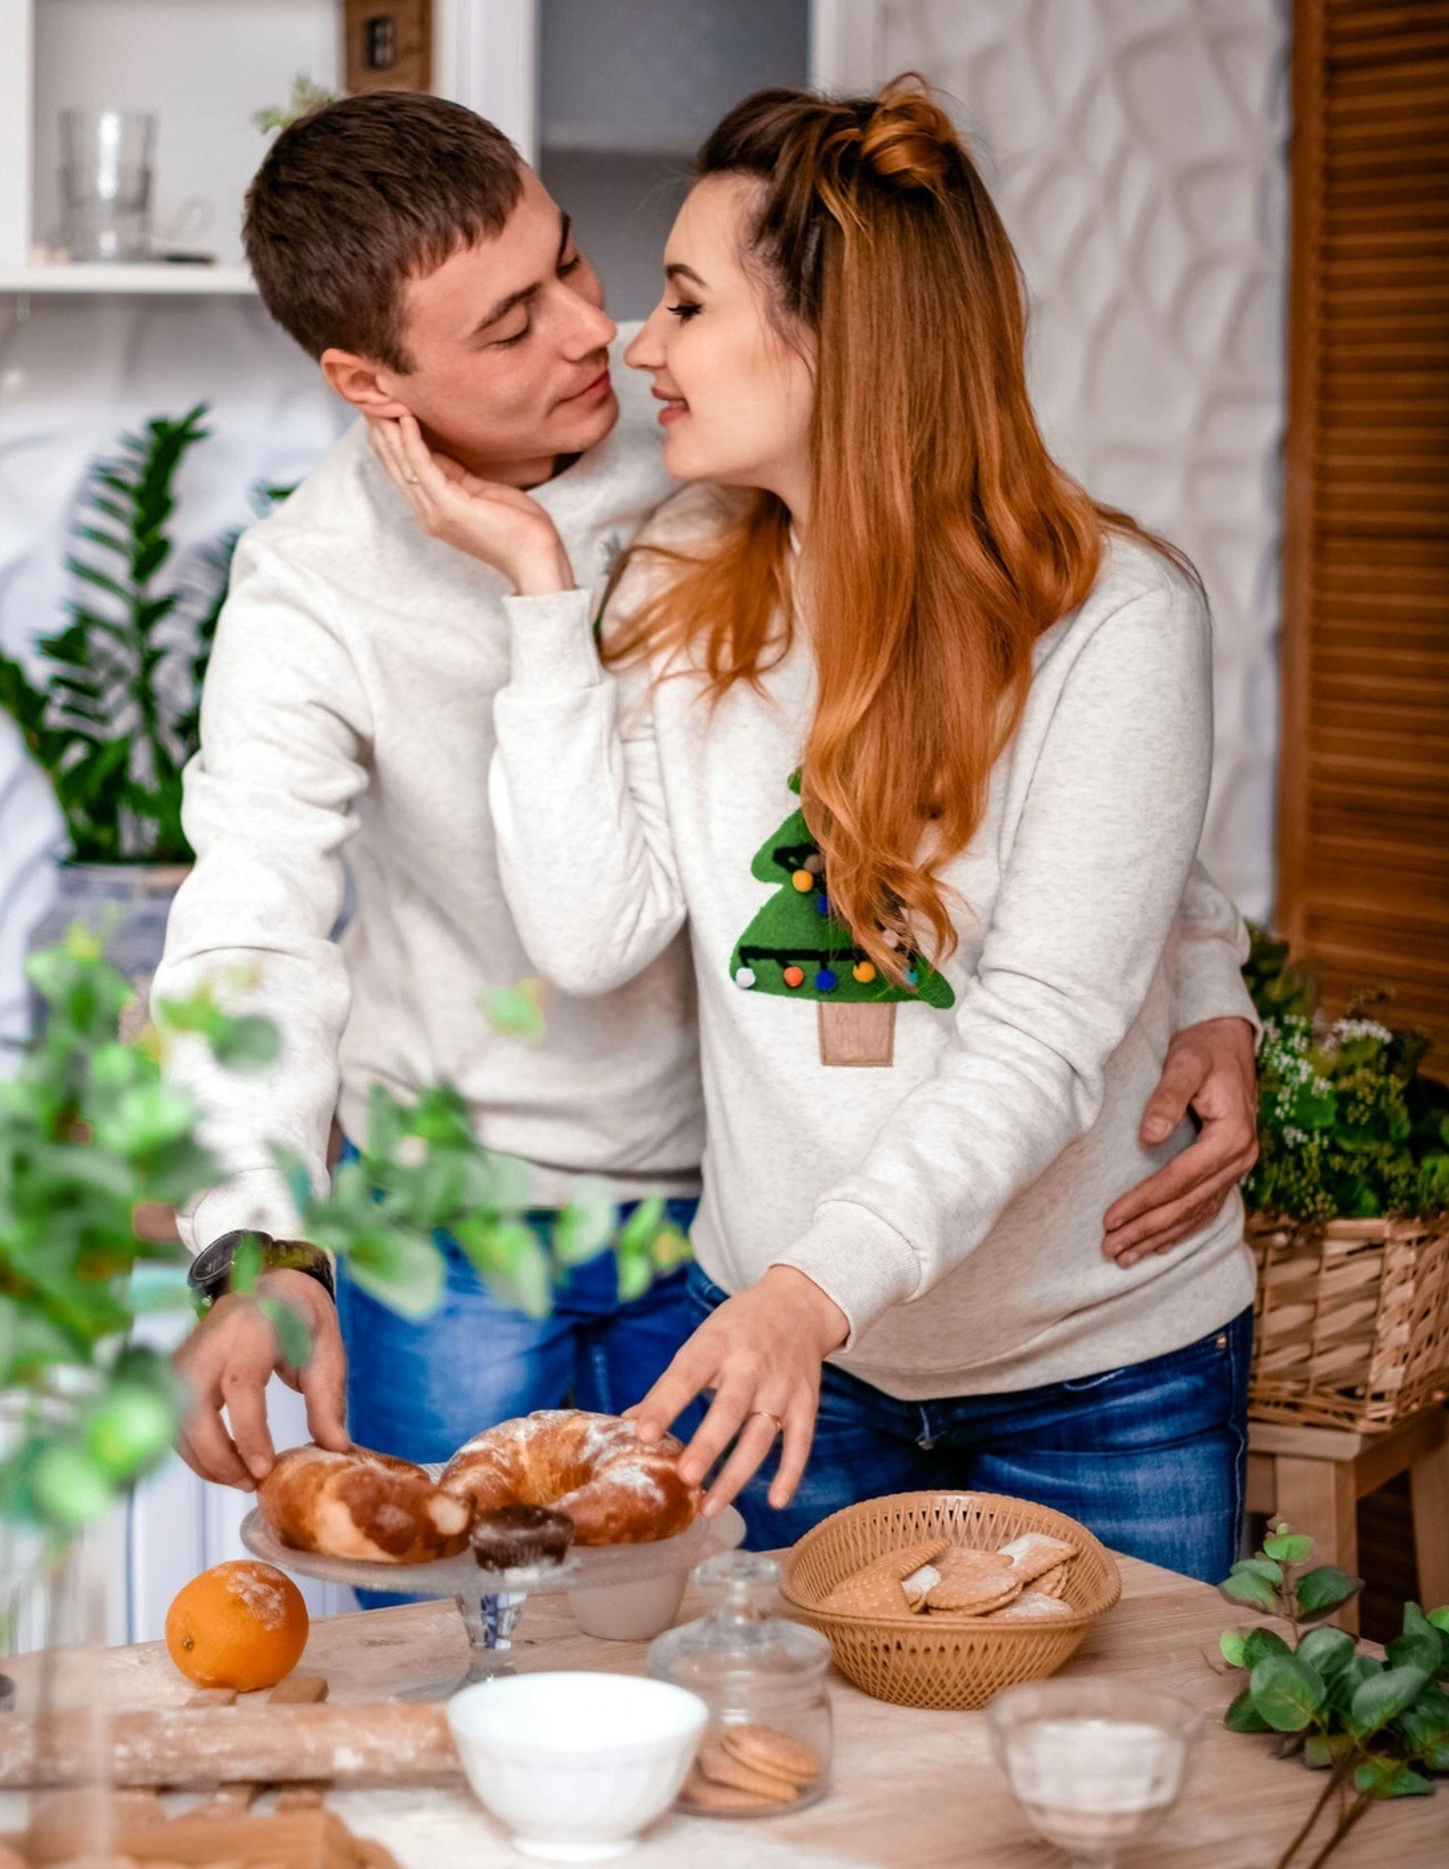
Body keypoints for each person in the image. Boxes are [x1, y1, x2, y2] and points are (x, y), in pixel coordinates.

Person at [156, 94, 1260, 1579]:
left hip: (749, 1215)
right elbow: (252, 922)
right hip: (488, 1209)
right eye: (507, 326)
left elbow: (1051, 762)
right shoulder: (335, 584)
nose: (598, 338)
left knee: (716, 1670)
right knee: (473, 1653)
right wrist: (258, 1246)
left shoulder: (706, 484)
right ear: (372, 379)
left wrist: (1204, 981)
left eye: (580, 268)